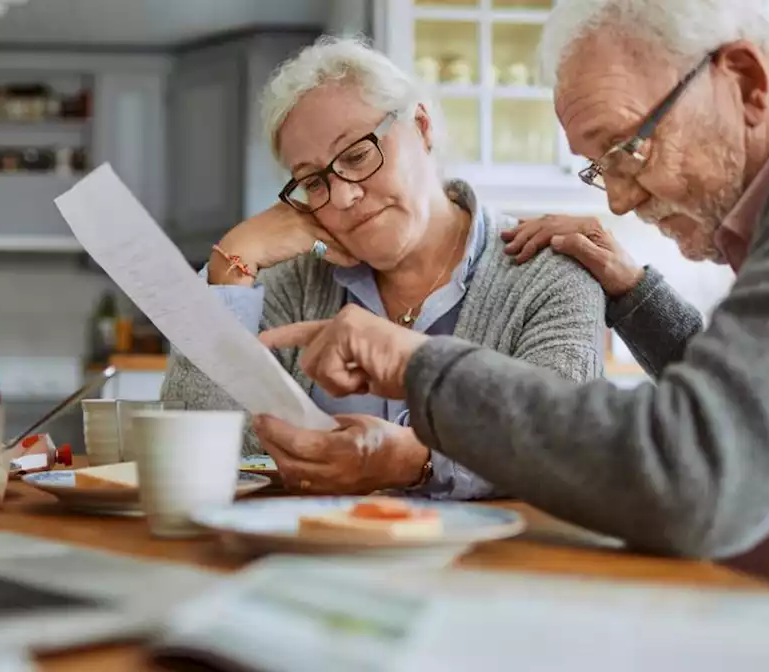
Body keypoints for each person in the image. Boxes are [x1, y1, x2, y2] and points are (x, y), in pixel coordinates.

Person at [259, 0, 769, 624]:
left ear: (744, 81)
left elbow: (696, 472)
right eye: (601, 169)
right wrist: (638, 299)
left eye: (626, 147)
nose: (621, 202)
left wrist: (421, 368)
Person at [160, 36, 607, 500]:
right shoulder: (289, 283)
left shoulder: (550, 273)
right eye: (314, 181)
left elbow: (561, 451)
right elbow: (194, 447)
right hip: (310, 560)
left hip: (490, 565)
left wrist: (418, 460)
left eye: (356, 155)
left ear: (421, 126)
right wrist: (231, 260)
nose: (346, 196)